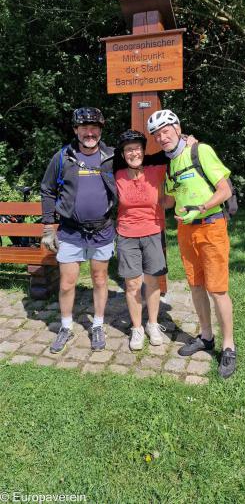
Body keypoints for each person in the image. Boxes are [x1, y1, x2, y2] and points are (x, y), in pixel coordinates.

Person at [147, 109, 236, 378]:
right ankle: (206, 337)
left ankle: (229, 346)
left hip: (211, 226)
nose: (162, 138)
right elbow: (171, 200)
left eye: (165, 131)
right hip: (186, 231)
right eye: (157, 135)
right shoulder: (172, 163)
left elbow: (225, 190)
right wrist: (140, 194)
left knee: (217, 289)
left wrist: (202, 207)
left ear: (177, 127)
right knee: (196, 285)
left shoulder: (201, 151)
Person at [41, 107, 116, 354]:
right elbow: (48, 190)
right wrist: (48, 227)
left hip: (102, 230)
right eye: (84, 128)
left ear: (101, 130)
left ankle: (97, 324)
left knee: (99, 279)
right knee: (66, 284)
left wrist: (182, 142)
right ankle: (65, 326)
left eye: (94, 127)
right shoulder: (63, 156)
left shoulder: (112, 156)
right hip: (71, 232)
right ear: (76, 130)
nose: (89, 132)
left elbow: (141, 160)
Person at [115, 129, 167, 351]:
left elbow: (177, 151)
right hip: (127, 233)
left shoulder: (157, 169)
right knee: (132, 283)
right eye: (128, 150)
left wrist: (189, 140)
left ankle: (153, 324)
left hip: (153, 231)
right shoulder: (116, 173)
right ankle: (136, 328)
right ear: (123, 154)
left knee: (153, 281)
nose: (133, 153)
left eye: (137, 148)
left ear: (144, 151)